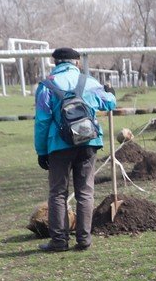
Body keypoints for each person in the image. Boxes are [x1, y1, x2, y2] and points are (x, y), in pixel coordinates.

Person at [34, 47, 116, 252]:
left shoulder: (46, 86)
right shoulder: (89, 82)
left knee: (58, 194)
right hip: (89, 142)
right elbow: (109, 103)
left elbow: (42, 122)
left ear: (55, 63)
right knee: (85, 192)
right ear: (76, 63)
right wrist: (111, 93)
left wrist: (41, 151)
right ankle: (84, 239)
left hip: (59, 146)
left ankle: (59, 241)